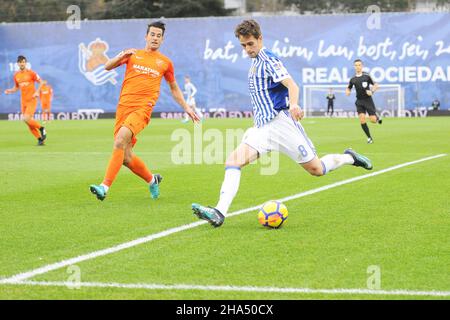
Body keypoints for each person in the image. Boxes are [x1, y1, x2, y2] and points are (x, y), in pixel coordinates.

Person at [191, 19, 373, 228]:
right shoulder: (254, 63)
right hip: (261, 128)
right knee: (233, 162)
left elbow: (291, 85)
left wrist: (294, 104)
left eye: (250, 44)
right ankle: (219, 212)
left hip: (281, 124)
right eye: (243, 45)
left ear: (260, 39)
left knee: (317, 169)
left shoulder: (268, 60)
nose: (247, 49)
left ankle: (349, 157)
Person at [89, 21, 199, 201]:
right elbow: (107, 66)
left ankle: (104, 187)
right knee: (125, 157)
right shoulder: (132, 54)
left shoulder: (165, 62)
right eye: (152, 34)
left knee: (119, 141)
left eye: (159, 36)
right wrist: (121, 55)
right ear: (146, 36)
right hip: (123, 107)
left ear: (162, 40)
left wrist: (186, 108)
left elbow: (174, 88)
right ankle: (152, 180)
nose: (155, 38)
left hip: (142, 109)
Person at [4, 55, 47, 145]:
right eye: (20, 62)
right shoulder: (16, 75)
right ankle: (40, 139)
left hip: (32, 100)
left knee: (26, 118)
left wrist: (37, 92)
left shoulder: (31, 73)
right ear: (18, 64)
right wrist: (10, 91)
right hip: (23, 102)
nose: (22, 63)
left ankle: (41, 128)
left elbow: (42, 82)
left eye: (23, 62)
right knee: (27, 122)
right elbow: (16, 88)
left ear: (25, 63)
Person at [346, 59, 382, 144]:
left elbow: (376, 85)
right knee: (362, 120)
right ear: (354, 67)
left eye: (359, 65)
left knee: (373, 120)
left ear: (362, 66)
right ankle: (369, 138)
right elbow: (349, 87)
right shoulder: (353, 79)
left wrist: (372, 91)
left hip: (368, 101)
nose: (358, 66)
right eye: (356, 65)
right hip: (359, 101)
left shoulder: (367, 76)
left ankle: (377, 117)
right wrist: (347, 91)